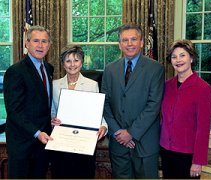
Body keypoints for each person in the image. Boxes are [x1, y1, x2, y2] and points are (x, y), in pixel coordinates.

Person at [101, 23, 165, 178]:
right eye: (125, 40)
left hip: (144, 143)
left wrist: (131, 133)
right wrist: (118, 132)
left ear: (142, 42)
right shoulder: (110, 69)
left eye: (133, 39)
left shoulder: (156, 68)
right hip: (118, 143)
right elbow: (105, 103)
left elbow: (154, 105)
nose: (129, 44)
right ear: (119, 44)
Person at [3, 25, 54, 178]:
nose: (40, 45)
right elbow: (14, 111)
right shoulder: (15, 71)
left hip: (42, 144)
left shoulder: (49, 68)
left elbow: (41, 104)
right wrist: (37, 133)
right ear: (27, 44)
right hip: (22, 145)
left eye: (44, 41)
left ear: (49, 45)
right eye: (36, 41)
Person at [50, 45, 107, 179]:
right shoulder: (55, 85)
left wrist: (104, 126)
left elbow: (97, 111)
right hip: (61, 142)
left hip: (84, 142)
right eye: (68, 61)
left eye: (76, 60)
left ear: (81, 62)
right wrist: (53, 120)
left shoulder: (92, 84)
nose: (72, 64)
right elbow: (52, 111)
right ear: (63, 64)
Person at [160, 39, 211, 179]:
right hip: (166, 151)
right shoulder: (166, 86)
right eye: (174, 56)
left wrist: (198, 161)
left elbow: (203, 129)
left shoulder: (203, 89)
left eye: (182, 55)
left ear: (191, 58)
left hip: (187, 155)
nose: (178, 60)